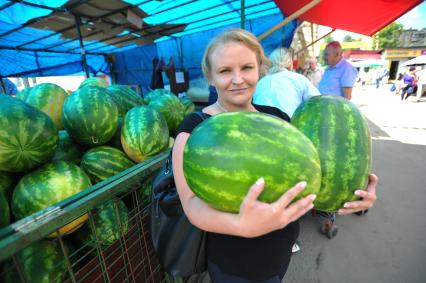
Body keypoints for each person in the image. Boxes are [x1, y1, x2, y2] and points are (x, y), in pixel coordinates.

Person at [172, 29, 378, 283]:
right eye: (225, 71)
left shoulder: (277, 117)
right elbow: (191, 205)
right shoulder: (194, 129)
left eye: (246, 67)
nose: (238, 79)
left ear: (259, 69)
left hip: (280, 249)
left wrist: (350, 192)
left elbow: (309, 173)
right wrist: (241, 226)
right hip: (234, 259)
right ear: (211, 78)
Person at [253, 48, 320, 117]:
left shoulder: (260, 82)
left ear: (271, 62)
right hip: (288, 125)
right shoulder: (298, 79)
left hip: (260, 123)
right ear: (289, 63)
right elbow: (318, 101)